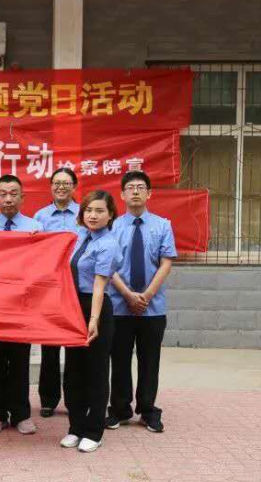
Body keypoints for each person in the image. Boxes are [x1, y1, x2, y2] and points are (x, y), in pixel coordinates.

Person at [107, 171, 177, 434]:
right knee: (120, 361)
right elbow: (108, 265)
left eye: (140, 187)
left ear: (149, 193)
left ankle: (148, 411)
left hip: (152, 308)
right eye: (130, 188)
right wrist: (127, 295)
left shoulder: (162, 225)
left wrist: (145, 296)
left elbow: (166, 263)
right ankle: (120, 409)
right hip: (119, 306)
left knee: (150, 361)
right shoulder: (112, 227)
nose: (135, 191)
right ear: (122, 194)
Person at [0, 174, 43, 435]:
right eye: (3, 194)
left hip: (22, 306)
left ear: (22, 197)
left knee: (19, 361)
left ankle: (21, 414)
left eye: (14, 194)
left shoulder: (35, 227)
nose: (8, 199)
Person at [61, 189, 122, 453]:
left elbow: (99, 286)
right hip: (73, 307)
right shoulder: (79, 237)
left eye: (99, 210)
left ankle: (94, 431)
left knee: (96, 372)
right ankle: (75, 427)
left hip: (95, 309)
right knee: (73, 371)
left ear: (110, 215)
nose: (93, 215)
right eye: (88, 210)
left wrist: (94, 319)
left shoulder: (108, 244)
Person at [33, 167, 80, 418]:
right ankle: (48, 400)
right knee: (49, 347)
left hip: (77, 285)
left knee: (74, 346)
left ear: (74, 187)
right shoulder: (40, 217)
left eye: (66, 183)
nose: (61, 187)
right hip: (49, 287)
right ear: (51, 187)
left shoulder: (85, 213)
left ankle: (73, 399)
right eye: (57, 183)